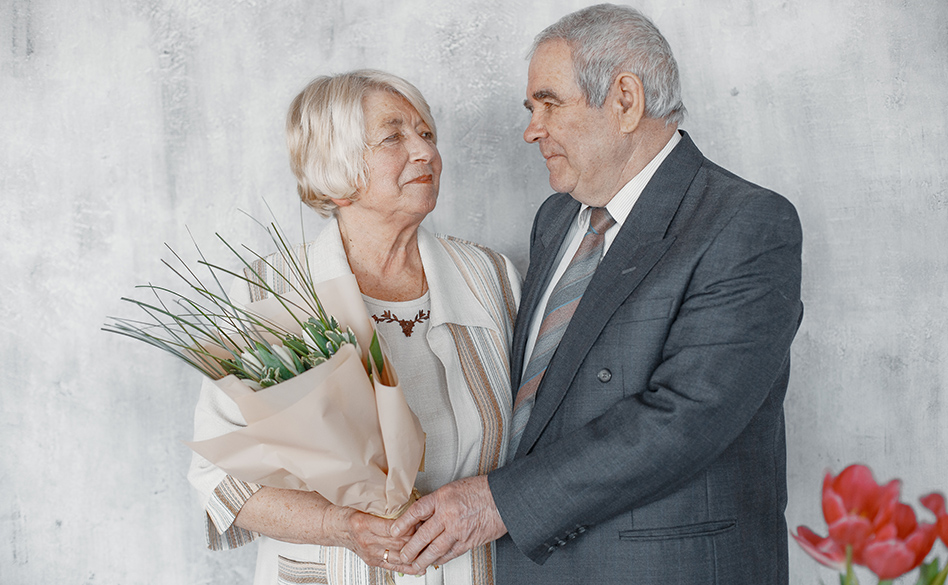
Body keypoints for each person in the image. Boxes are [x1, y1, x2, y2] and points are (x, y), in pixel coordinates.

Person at [391, 5, 803, 584]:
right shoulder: (557, 218)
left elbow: (686, 418)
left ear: (625, 101)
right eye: (531, 109)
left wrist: (494, 503)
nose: (532, 128)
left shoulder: (745, 223)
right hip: (532, 566)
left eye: (549, 103)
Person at [187, 70, 520, 585]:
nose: (425, 152)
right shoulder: (269, 293)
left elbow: (545, 443)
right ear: (334, 168)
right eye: (394, 137)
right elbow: (219, 478)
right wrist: (342, 526)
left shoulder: (493, 278)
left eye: (427, 134)